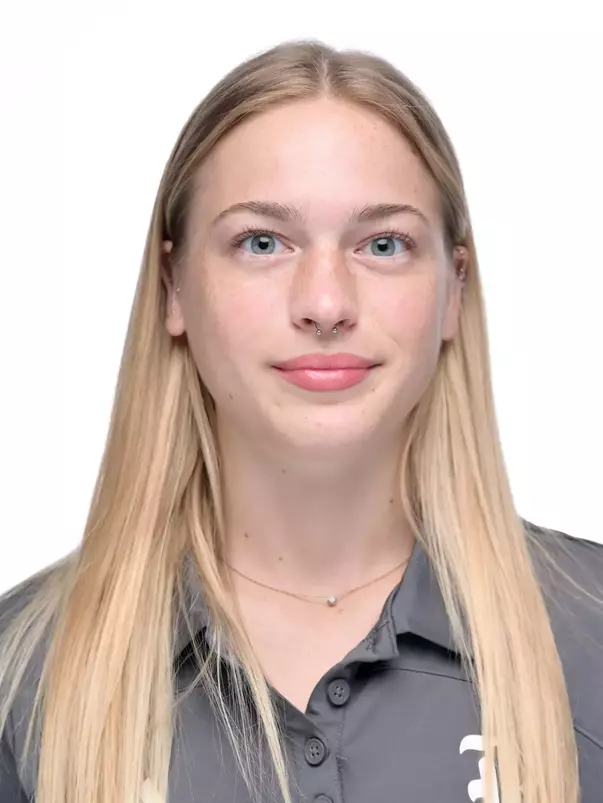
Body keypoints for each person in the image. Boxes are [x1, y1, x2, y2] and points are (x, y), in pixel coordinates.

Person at [0, 38, 602, 803]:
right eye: (262, 242)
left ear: (452, 288)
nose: (324, 302)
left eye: (383, 244)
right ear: (173, 286)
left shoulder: (592, 642)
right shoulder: (20, 678)